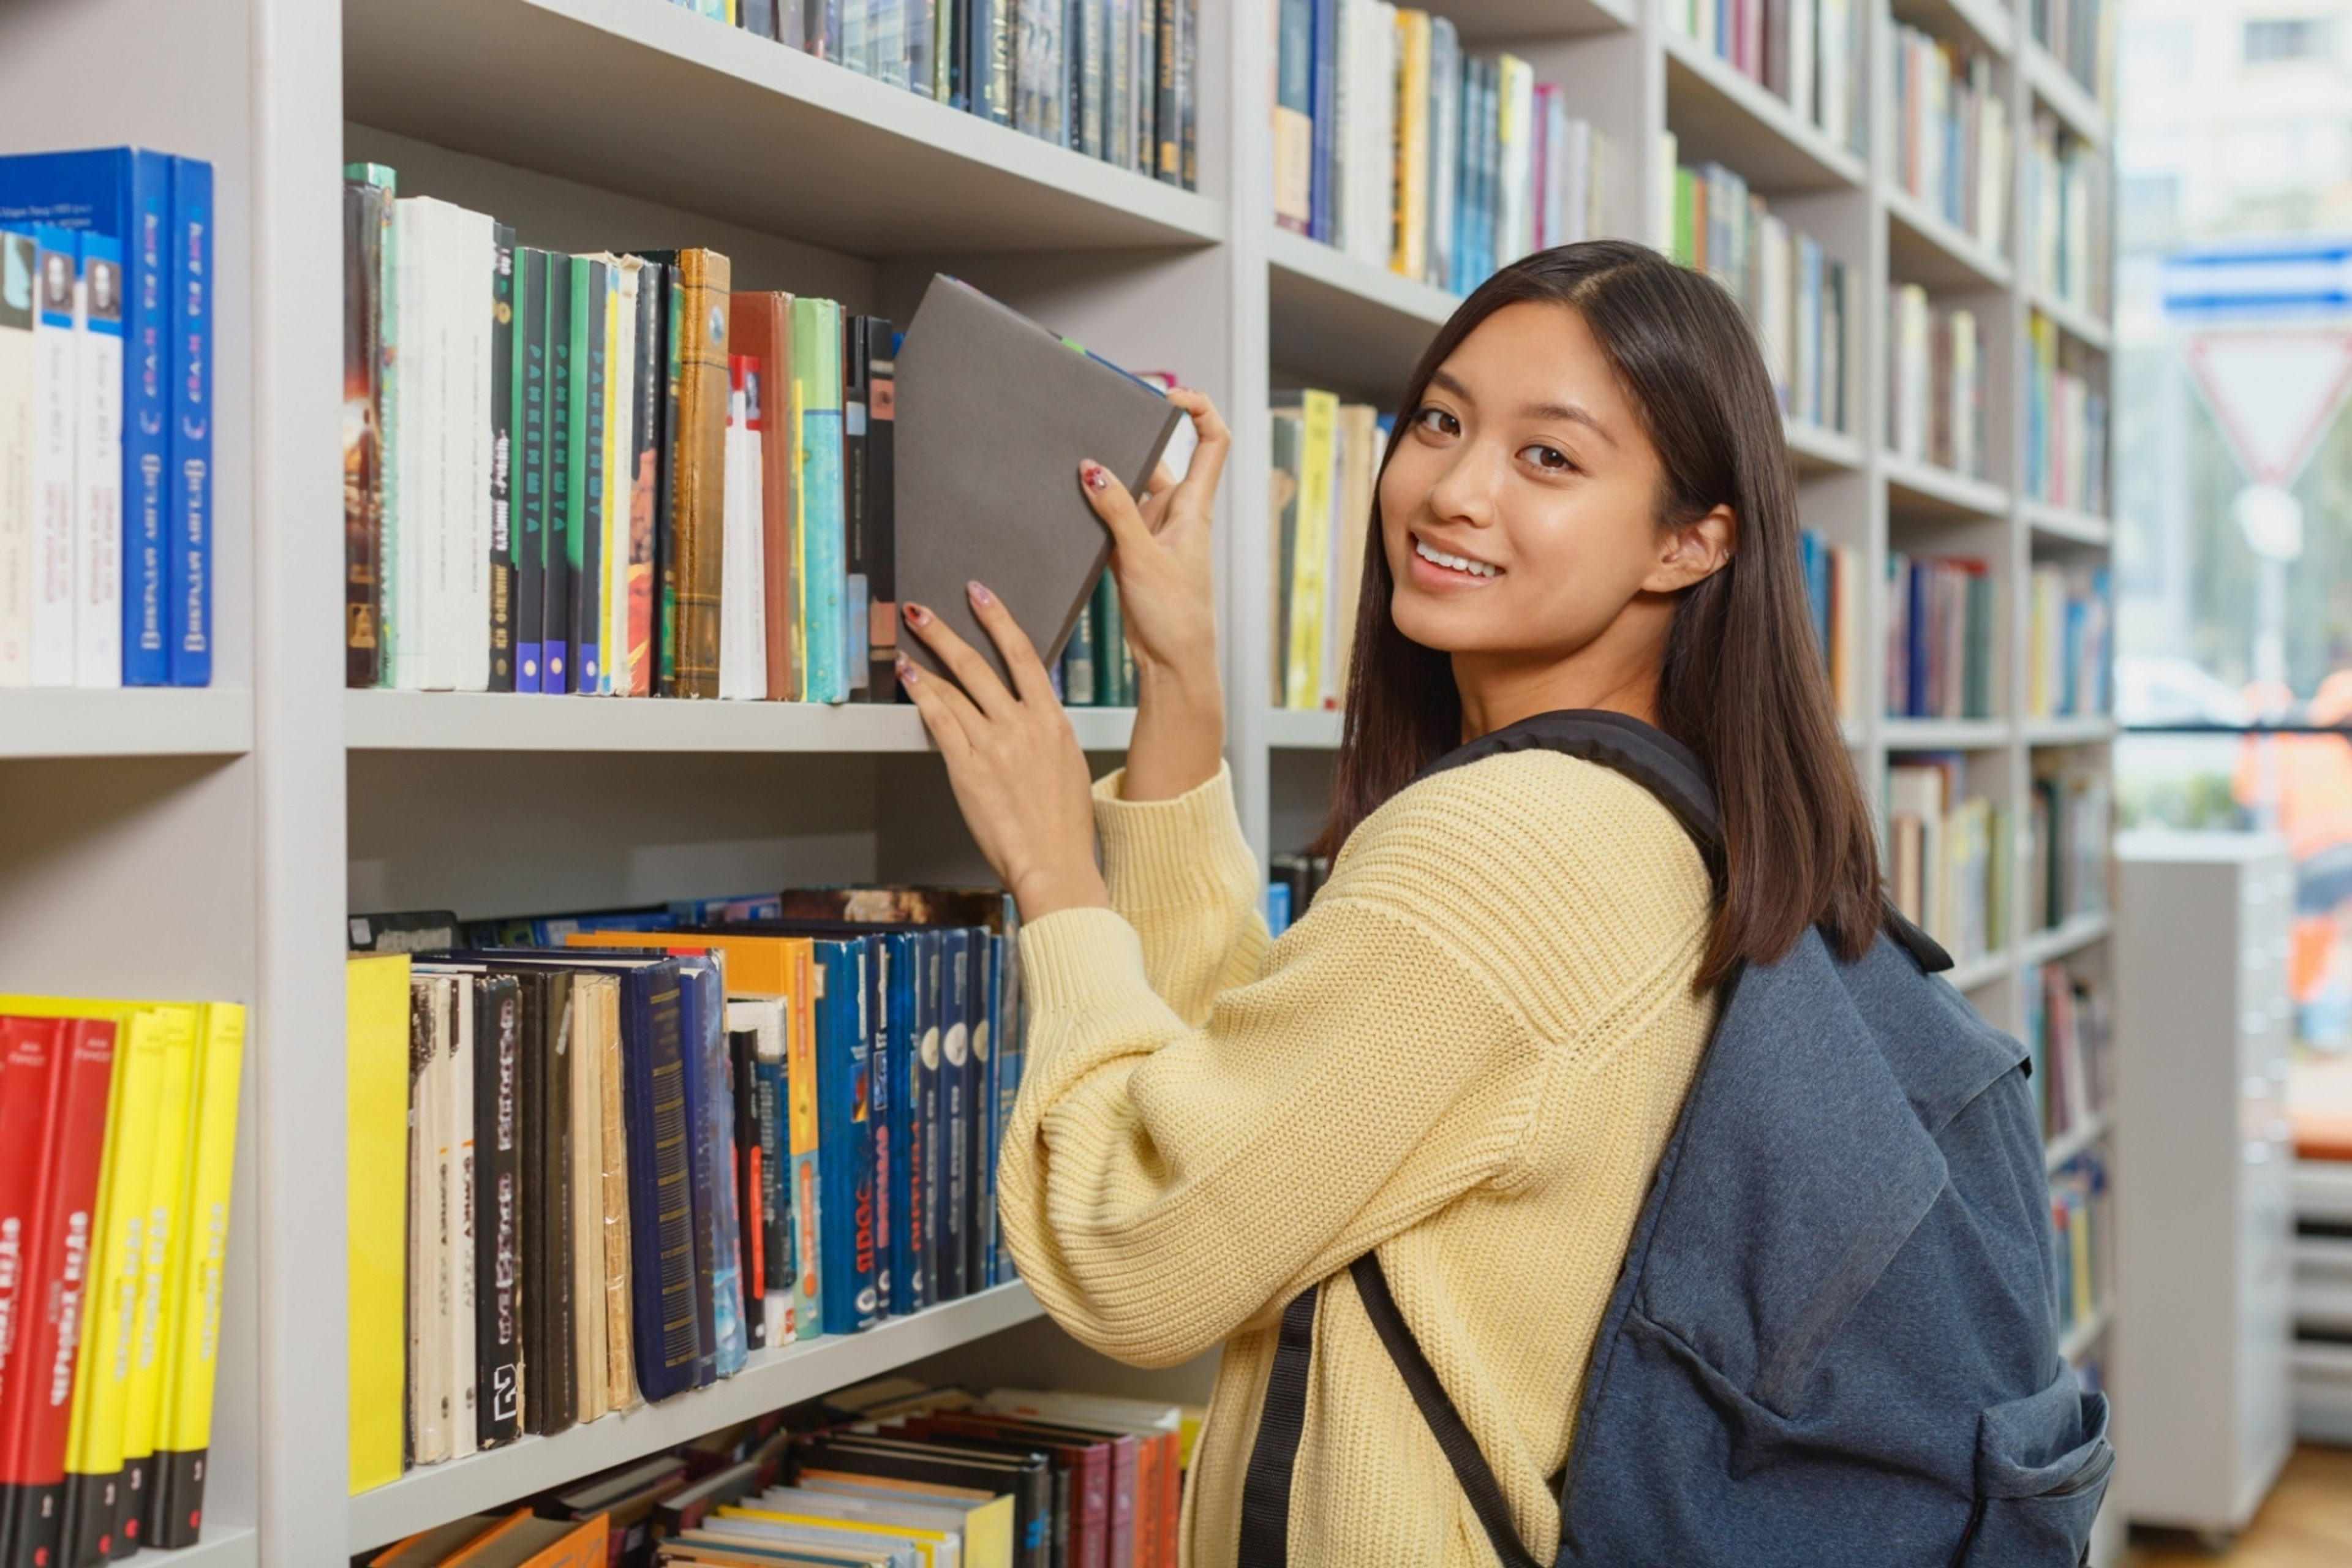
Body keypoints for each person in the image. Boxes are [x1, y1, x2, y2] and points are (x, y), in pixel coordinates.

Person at [895, 241, 1883, 1566]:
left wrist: (1053, 873)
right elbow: (1245, 1112)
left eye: (1550, 457)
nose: (1453, 491)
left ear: (1690, 539)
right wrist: (1180, 681)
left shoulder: (1508, 846)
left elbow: (1132, 1251)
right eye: (1440, 421)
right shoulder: (1661, 813)